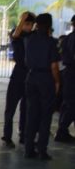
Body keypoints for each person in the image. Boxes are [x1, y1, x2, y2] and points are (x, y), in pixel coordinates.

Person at [24, 13, 60, 160]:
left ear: (36, 25)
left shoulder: (29, 39)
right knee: (45, 116)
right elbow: (54, 66)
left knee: (31, 114)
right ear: (49, 25)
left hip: (31, 77)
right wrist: (57, 82)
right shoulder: (51, 42)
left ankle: (28, 149)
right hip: (46, 79)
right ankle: (42, 150)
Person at [2, 12, 35, 148]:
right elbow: (15, 35)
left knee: (26, 108)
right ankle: (7, 136)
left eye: (30, 24)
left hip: (29, 74)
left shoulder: (33, 36)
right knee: (11, 107)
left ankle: (23, 135)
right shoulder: (17, 34)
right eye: (26, 24)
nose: (28, 27)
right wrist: (22, 19)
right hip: (18, 74)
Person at [55, 15, 75, 143]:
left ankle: (62, 130)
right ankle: (62, 131)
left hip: (68, 73)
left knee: (67, 103)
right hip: (73, 72)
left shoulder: (67, 38)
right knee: (71, 105)